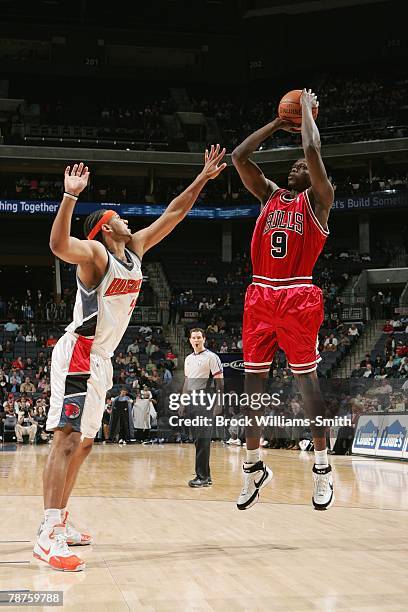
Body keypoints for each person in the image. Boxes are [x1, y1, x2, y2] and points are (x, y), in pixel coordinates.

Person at [34, 147, 226, 571]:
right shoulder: (97, 255)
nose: (127, 219)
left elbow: (174, 214)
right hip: (80, 352)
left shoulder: (134, 250)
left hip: (102, 357)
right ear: (104, 228)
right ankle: (47, 534)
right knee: (66, 438)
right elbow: (57, 244)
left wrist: (202, 178)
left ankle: (60, 520)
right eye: (117, 215)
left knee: (84, 444)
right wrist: (70, 197)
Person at [232, 89, 335, 511]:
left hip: (296, 294)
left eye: (303, 167)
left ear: (314, 176)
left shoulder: (320, 201)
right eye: (292, 165)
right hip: (259, 295)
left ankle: (324, 469)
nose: (296, 166)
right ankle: (253, 467)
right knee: (253, 387)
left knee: (306, 384)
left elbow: (311, 148)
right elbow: (240, 157)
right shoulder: (271, 195)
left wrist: (307, 115)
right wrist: (278, 122)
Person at [183, 328, 223, 487]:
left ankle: (203, 477)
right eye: (193, 338)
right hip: (192, 399)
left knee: (203, 438)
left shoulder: (212, 357)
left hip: (205, 398)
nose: (196, 340)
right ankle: (206, 475)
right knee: (197, 439)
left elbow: (219, 381)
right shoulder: (188, 359)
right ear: (190, 340)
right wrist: (183, 401)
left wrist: (219, 402)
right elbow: (187, 382)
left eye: (199, 337)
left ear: (204, 339)